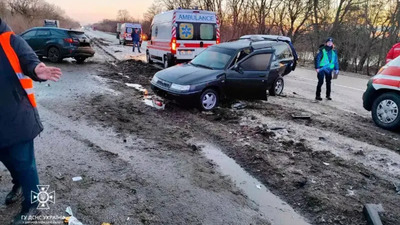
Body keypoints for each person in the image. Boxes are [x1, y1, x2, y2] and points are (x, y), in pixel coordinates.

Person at [0, 18, 62, 224]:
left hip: (16, 117)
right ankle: (18, 185)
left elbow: (29, 60)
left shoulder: (11, 40)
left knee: (26, 165)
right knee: (8, 160)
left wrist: (38, 70)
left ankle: (33, 204)